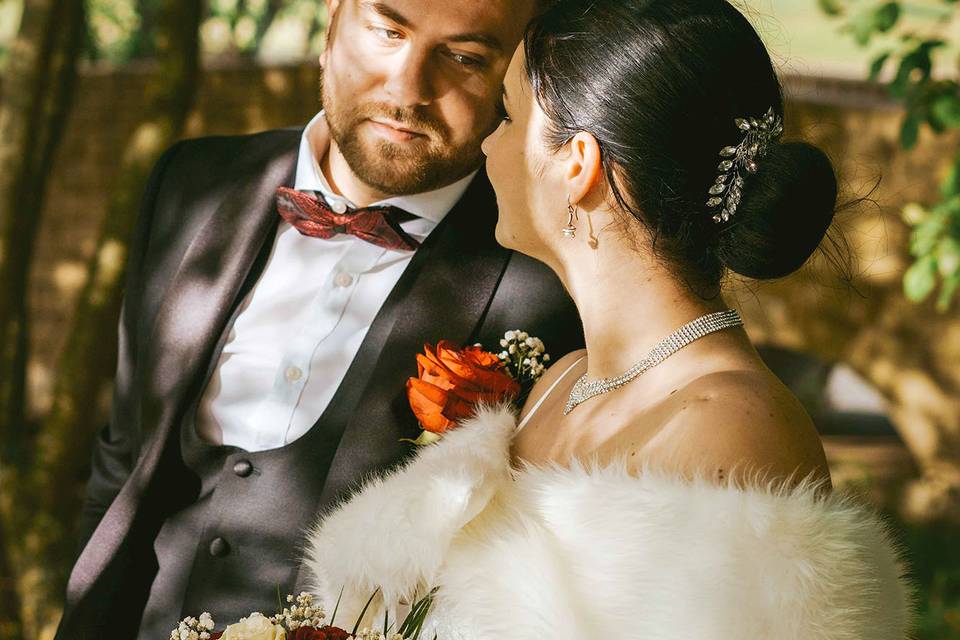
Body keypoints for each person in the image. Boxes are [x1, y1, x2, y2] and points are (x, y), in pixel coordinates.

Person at [302, 0, 917, 637]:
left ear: (578, 165)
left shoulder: (729, 430)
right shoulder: (560, 384)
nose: (489, 142)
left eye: (510, 116)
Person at [54, 1, 583, 638]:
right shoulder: (190, 182)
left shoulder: (546, 282)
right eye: (388, 31)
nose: (407, 88)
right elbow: (123, 457)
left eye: (465, 57)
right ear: (333, 15)